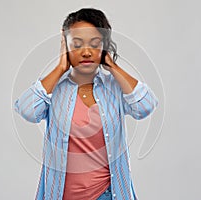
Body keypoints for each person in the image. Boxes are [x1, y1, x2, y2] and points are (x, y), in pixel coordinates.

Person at [14, 8, 158, 200]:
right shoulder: (54, 88)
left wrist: (112, 66)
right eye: (77, 44)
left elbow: (146, 106)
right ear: (66, 46)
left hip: (107, 195)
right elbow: (27, 110)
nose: (87, 52)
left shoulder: (114, 87)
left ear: (104, 47)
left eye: (95, 44)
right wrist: (60, 68)